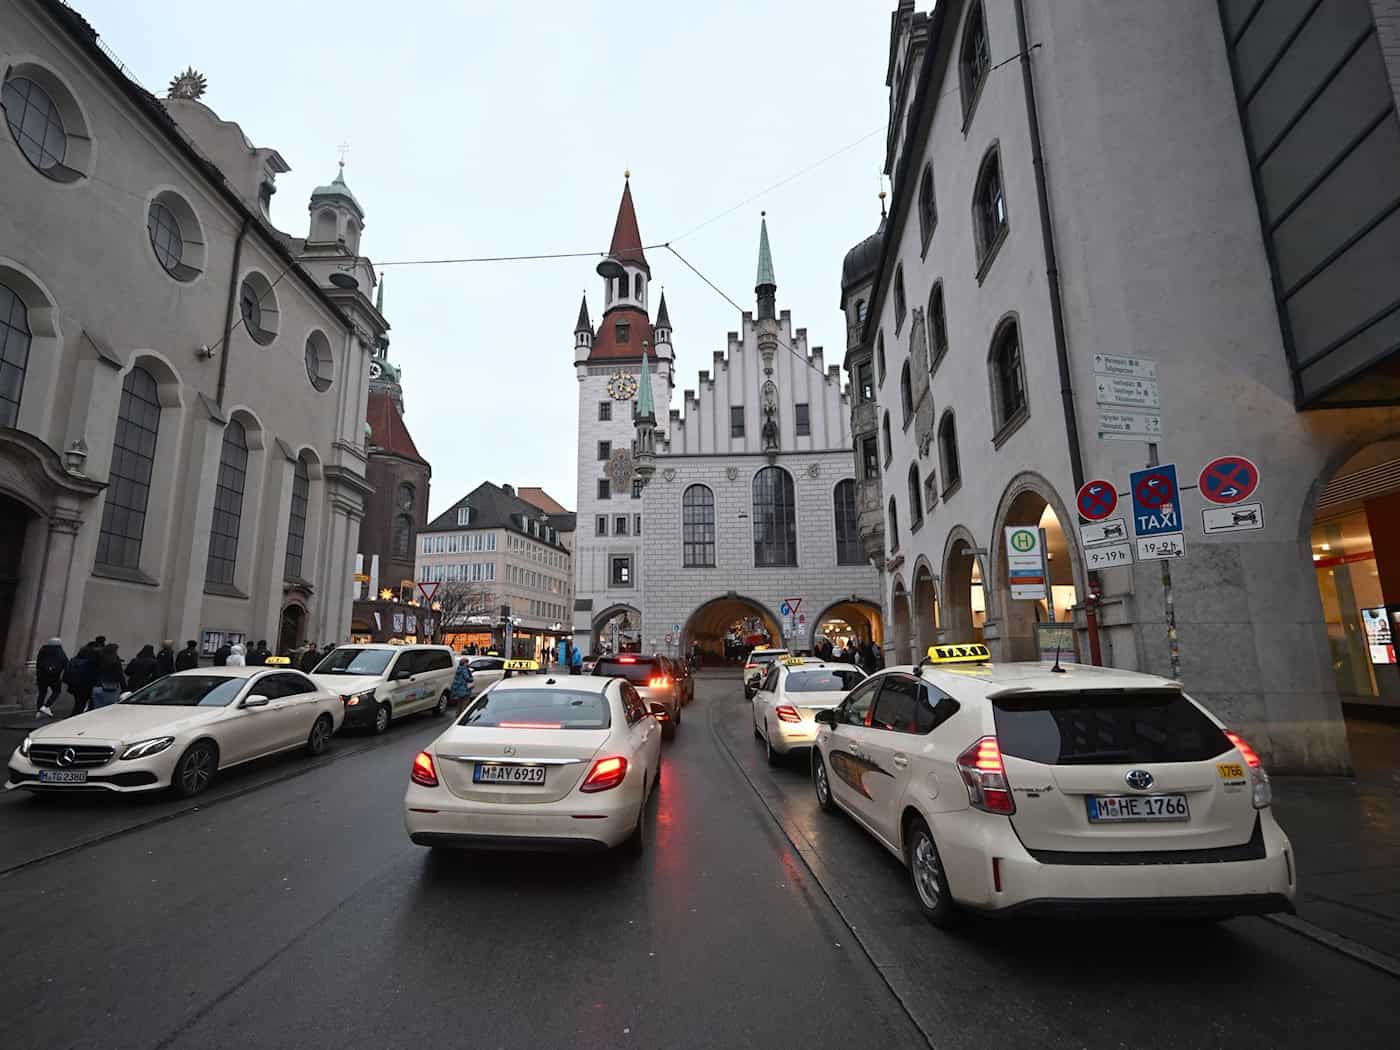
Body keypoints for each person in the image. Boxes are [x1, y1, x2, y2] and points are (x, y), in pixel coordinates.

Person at [35, 637, 67, 718]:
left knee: (42, 693)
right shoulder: (60, 651)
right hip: (54, 676)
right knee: (56, 691)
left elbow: (38, 663)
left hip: (41, 676)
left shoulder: (43, 650)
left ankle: (38, 711)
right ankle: (46, 706)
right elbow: (65, 662)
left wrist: (38, 673)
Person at [91, 643, 125, 709]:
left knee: (97, 709)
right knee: (108, 709)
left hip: (97, 686)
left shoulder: (98, 658)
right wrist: (124, 689)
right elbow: (120, 676)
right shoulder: (115, 661)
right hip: (110, 688)